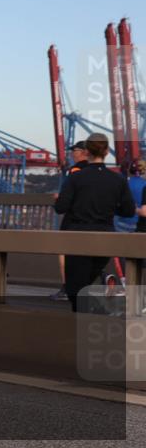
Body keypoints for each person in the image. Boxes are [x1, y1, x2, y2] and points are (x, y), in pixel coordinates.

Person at [54, 133, 135, 313]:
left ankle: (82, 320)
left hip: (78, 236)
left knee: (76, 287)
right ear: (106, 151)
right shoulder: (118, 180)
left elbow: (61, 207)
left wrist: (62, 200)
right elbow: (128, 211)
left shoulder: (76, 178)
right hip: (105, 237)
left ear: (87, 152)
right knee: (88, 279)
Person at [50, 141, 89, 301]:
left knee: (63, 252)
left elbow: (68, 199)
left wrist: (60, 198)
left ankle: (67, 288)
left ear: (84, 152)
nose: (73, 153)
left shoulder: (75, 170)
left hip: (73, 218)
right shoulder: (100, 172)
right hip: (94, 219)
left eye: (75, 150)